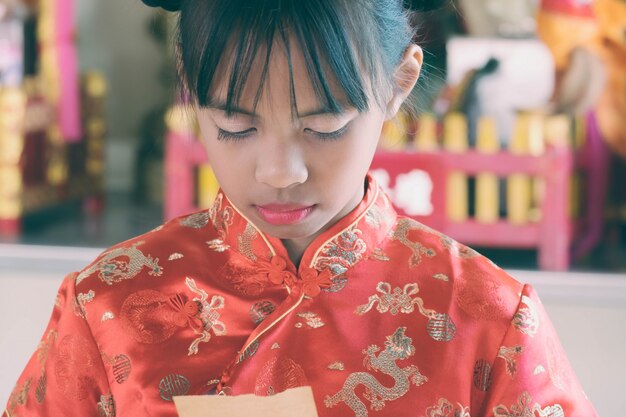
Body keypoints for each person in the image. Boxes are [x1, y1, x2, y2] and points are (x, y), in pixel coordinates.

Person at [3, 1, 598, 416]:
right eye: (235, 126)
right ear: (190, 87)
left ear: (398, 84)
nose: (279, 171)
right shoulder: (107, 302)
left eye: (324, 125)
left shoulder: (488, 320)